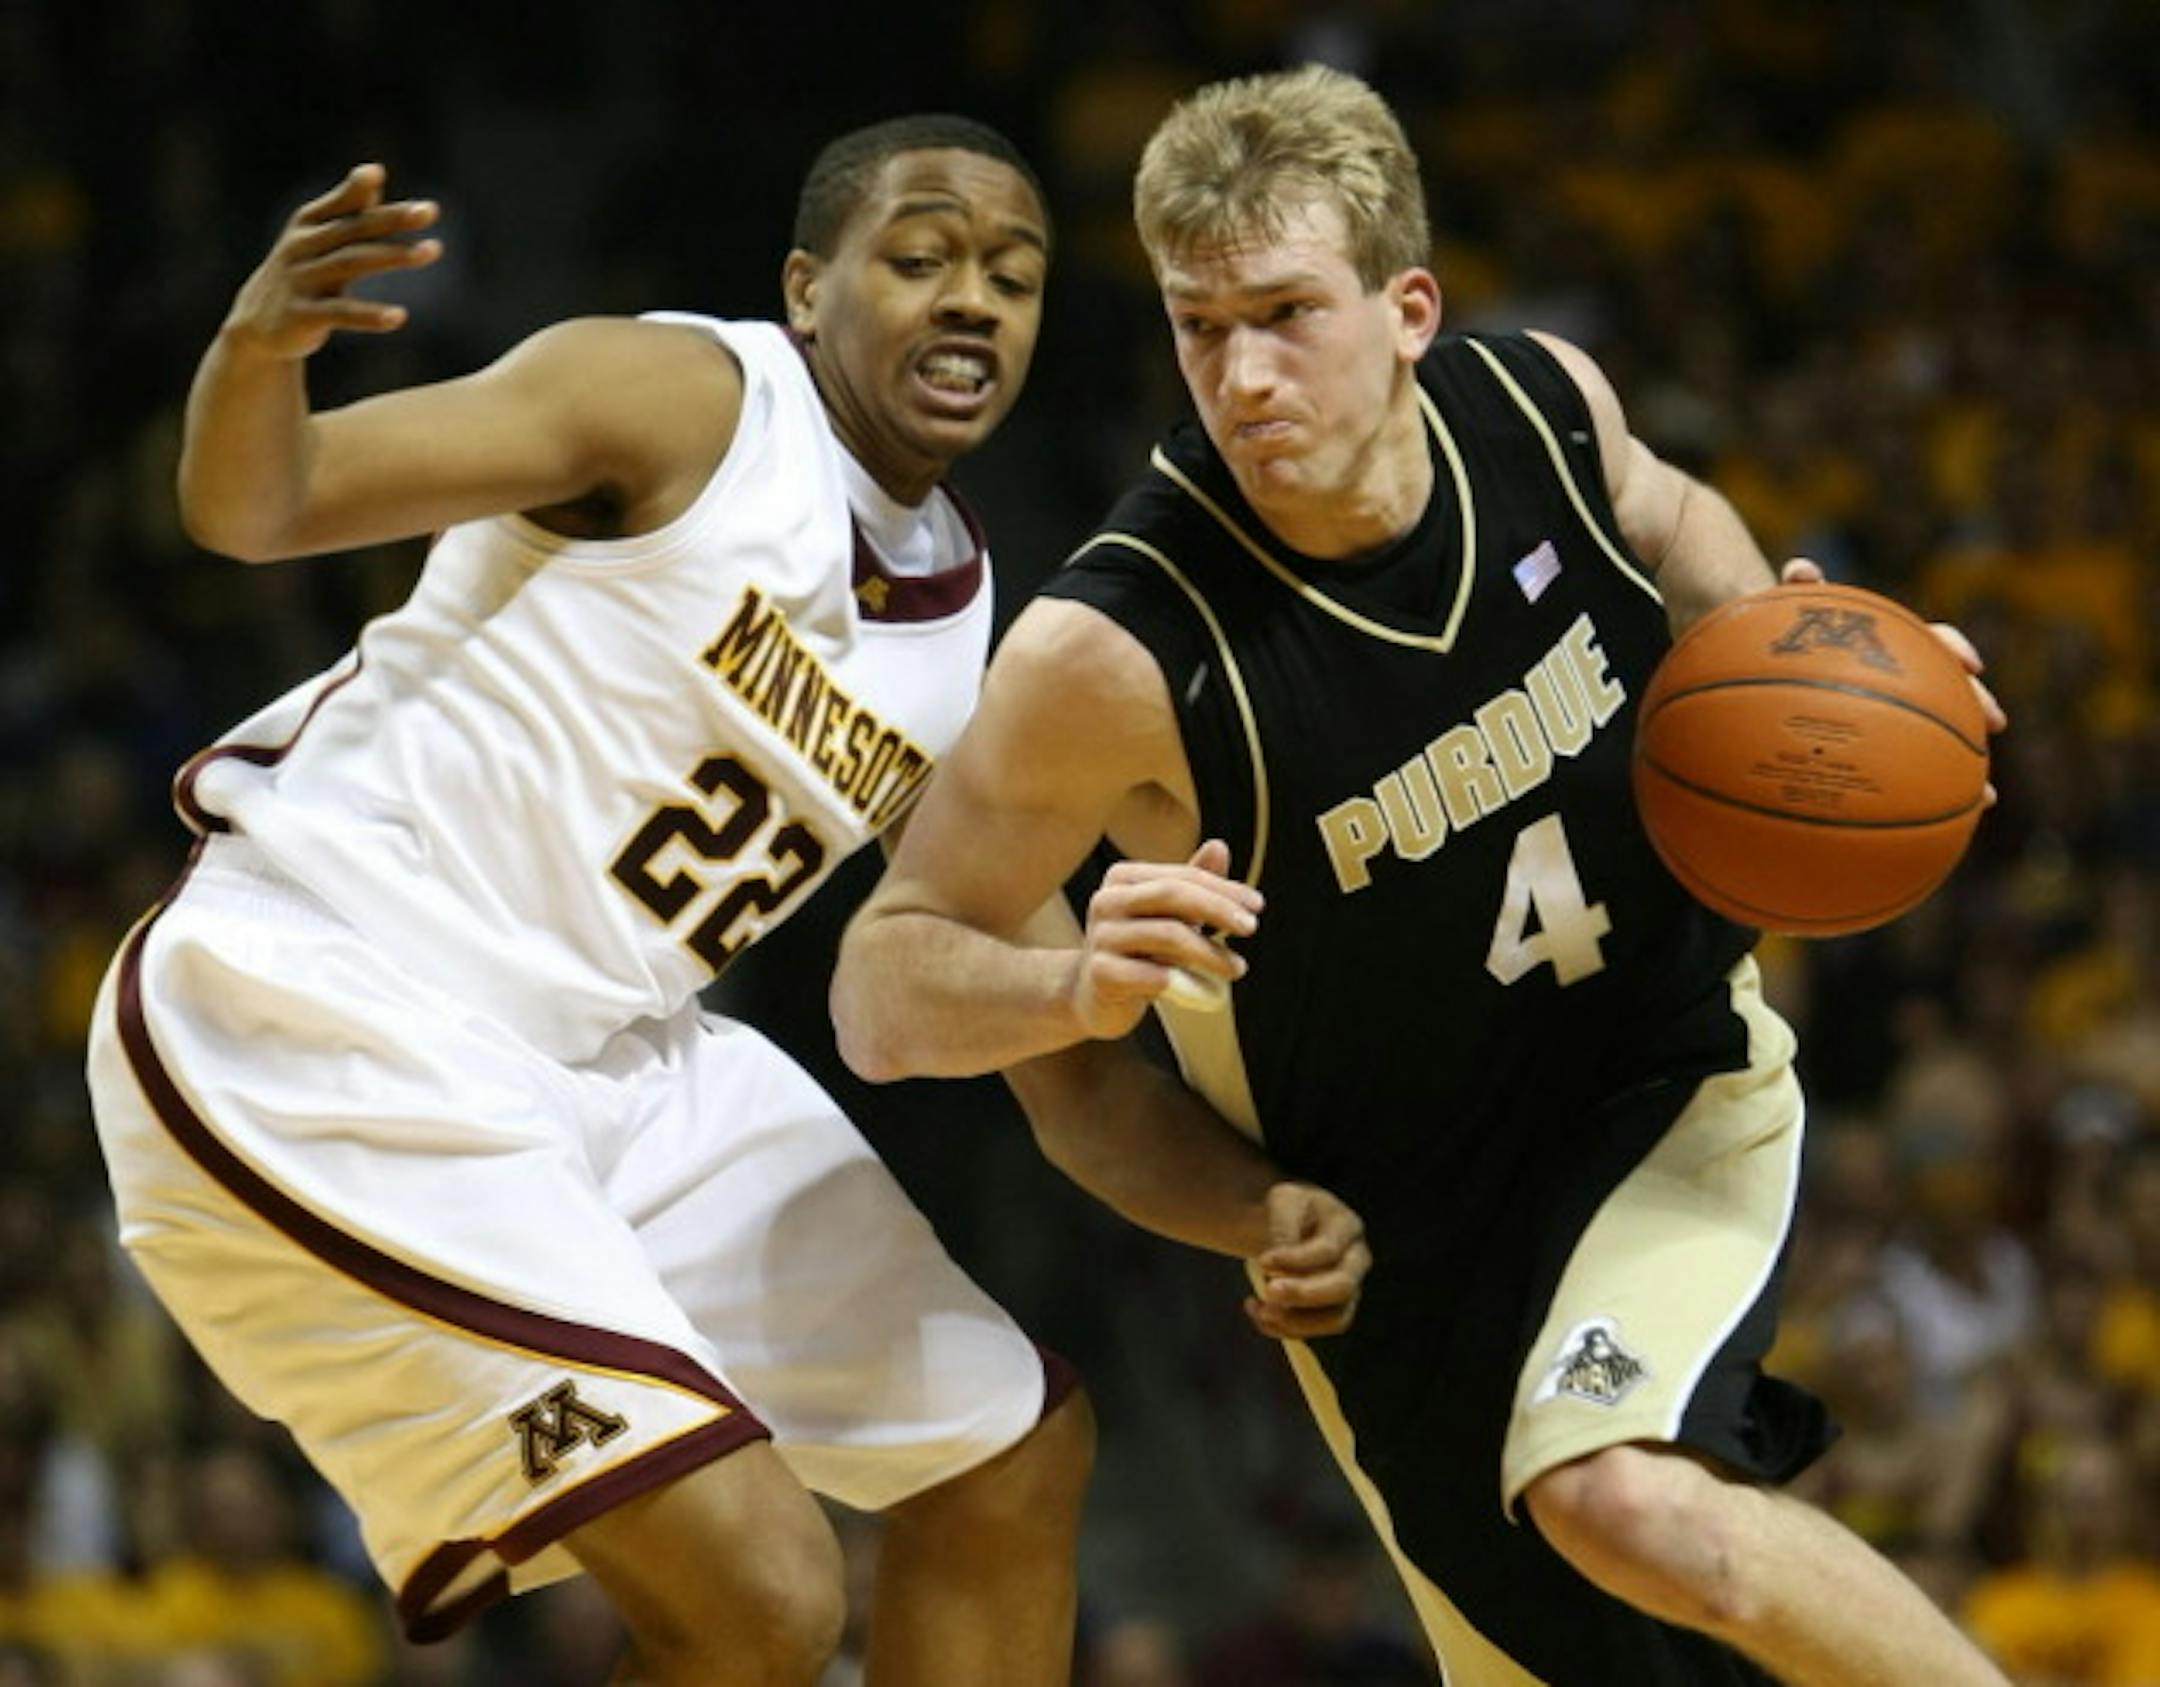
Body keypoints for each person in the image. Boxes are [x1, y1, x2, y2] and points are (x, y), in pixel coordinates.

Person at [85, 118, 1366, 1685]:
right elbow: (260, 505)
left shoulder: (967, 642)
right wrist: (256, 350)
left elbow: (1073, 1077)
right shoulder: (682, 399)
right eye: (922, 260)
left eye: (1013, 279)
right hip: (334, 992)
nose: (972, 301)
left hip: (611, 1060)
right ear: (807, 289)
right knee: (765, 1597)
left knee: (1010, 1458)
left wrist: (1256, 1210)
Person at [831, 65, 2014, 1685]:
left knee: (1622, 1501)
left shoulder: (1539, 408)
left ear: (1408, 307)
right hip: (1405, 1270)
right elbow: (883, 994)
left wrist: (1827, 671)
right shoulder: (1112, 656)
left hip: (1659, 1085)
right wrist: (1073, 991)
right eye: (1198, 326)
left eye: (1285, 313)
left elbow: (1680, 528)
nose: (1240, 376)